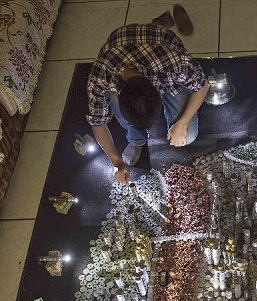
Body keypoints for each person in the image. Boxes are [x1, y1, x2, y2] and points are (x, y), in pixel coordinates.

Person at [86, 23, 209, 185]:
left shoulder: (174, 64)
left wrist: (182, 123)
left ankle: (157, 23)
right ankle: (136, 139)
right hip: (119, 49)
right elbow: (97, 122)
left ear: (159, 92)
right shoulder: (101, 76)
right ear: (118, 97)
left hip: (160, 47)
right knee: (125, 114)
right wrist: (116, 161)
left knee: (189, 135)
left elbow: (203, 85)